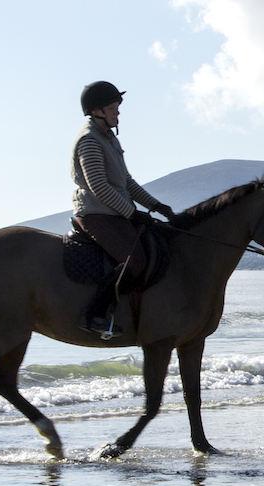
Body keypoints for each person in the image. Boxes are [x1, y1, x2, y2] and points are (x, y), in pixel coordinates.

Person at [71, 81, 175, 337]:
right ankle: (94, 314)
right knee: (135, 261)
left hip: (116, 213)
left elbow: (126, 182)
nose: (118, 112)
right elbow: (99, 187)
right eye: (112, 107)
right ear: (96, 111)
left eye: (117, 107)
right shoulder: (90, 140)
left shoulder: (109, 139)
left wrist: (156, 205)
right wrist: (133, 213)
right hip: (97, 214)